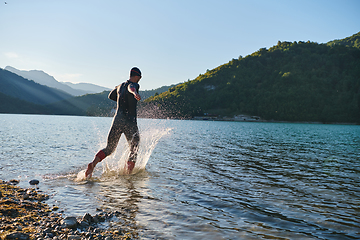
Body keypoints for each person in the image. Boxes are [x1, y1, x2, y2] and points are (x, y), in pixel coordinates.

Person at [85, 67, 142, 178]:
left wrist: (121, 99)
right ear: (137, 76)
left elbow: (111, 95)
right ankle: (128, 176)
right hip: (129, 121)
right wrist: (134, 93)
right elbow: (131, 87)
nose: (140, 79)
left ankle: (93, 163)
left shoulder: (119, 86)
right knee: (135, 147)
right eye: (140, 77)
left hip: (117, 120)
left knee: (110, 148)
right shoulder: (134, 85)